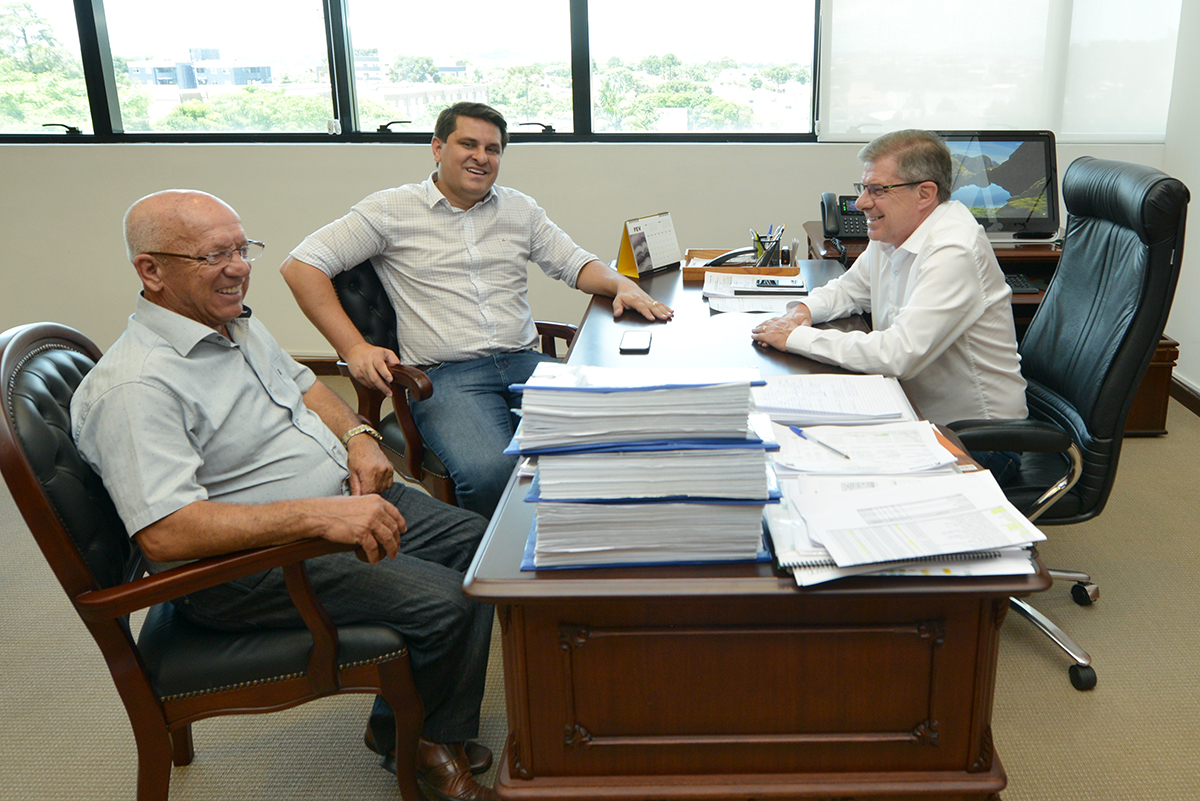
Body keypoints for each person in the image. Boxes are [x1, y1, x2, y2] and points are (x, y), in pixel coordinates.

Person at [71, 190, 500, 801]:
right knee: (448, 603)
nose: (238, 266)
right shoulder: (137, 387)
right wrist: (323, 515)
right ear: (151, 271)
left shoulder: (229, 324)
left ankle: (415, 730)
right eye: (213, 254)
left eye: (242, 248)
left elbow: (303, 387)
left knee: (488, 551)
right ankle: (424, 752)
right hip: (249, 565)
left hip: (336, 507)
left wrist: (359, 438)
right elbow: (168, 533)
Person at [280, 101, 673, 518]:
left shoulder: (519, 209)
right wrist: (354, 347)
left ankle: (585, 539)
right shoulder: (390, 209)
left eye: (493, 148)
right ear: (437, 147)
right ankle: (496, 568)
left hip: (526, 363)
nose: (481, 157)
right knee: (491, 472)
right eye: (468, 144)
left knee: (617, 435)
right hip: (446, 377)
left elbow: (574, 263)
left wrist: (620, 284)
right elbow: (301, 266)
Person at [750, 130, 1027, 481]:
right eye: (863, 188)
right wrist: (801, 313)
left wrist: (793, 337)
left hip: (976, 440)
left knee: (829, 478)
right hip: (910, 412)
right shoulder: (894, 232)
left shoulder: (954, 249)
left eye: (877, 190)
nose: (861, 203)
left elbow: (899, 354)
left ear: (924, 193)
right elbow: (849, 290)